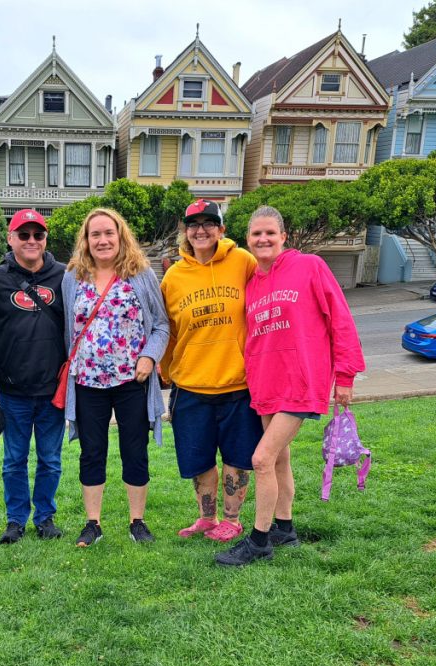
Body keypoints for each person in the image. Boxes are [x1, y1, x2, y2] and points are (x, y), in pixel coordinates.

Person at [216, 206, 365, 567]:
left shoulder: (309, 267)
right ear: (247, 240)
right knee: (280, 459)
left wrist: (345, 376)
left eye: (270, 233)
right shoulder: (253, 283)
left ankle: (259, 540)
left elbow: (340, 319)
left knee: (261, 459)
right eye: (256, 234)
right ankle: (285, 527)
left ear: (284, 236)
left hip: (301, 382)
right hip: (266, 385)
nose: (263, 239)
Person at [61, 207, 169, 547]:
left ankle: (137, 521)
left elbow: (162, 324)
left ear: (121, 237)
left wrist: (150, 356)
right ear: (86, 240)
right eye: (96, 234)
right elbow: (67, 328)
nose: (103, 240)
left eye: (109, 233)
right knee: (92, 452)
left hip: (131, 382)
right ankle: (93, 523)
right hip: (87, 382)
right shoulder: (72, 278)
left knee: (134, 450)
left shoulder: (141, 275)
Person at [159, 200, 261, 543]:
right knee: (198, 459)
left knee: (237, 457)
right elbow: (169, 329)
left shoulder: (243, 262)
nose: (200, 230)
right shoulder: (173, 276)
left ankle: (232, 519)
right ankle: (206, 517)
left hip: (238, 384)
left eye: (208, 223)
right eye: (193, 224)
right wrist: (165, 369)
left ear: (221, 229)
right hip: (191, 386)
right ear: (185, 231)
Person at [0, 209, 67, 544]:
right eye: (24, 234)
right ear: (10, 238)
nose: (31, 240)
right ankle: (16, 520)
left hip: (54, 390)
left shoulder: (66, 276)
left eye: (38, 234)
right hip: (13, 390)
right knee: (14, 460)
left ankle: (45, 517)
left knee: (50, 459)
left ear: (45, 239)